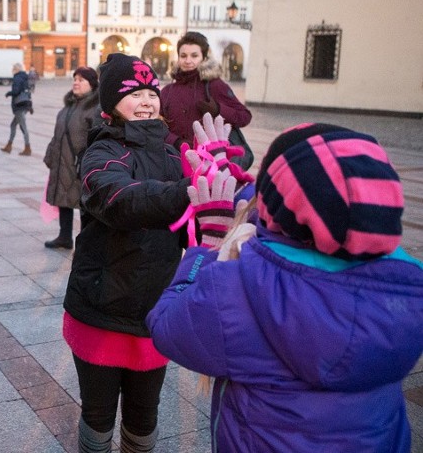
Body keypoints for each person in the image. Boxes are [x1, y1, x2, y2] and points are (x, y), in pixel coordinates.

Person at [148, 123, 423, 451]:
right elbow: (299, 212)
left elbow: (166, 325)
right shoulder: (405, 286)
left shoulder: (240, 293)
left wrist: (208, 245)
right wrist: (229, 175)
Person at [63, 53, 191, 453]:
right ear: (111, 105)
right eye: (134, 93)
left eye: (151, 91)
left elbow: (197, 226)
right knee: (98, 417)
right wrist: (188, 192)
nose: (147, 100)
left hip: (154, 313)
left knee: (144, 415)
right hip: (102, 310)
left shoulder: (175, 154)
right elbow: (119, 199)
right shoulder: (102, 152)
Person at [160, 31, 251, 150]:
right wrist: (176, 141)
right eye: (183, 56)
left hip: (208, 160)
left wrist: (218, 110)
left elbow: (244, 116)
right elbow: (156, 124)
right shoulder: (168, 91)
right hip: (173, 158)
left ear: (203, 58)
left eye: (194, 56)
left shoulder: (214, 85)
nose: (188, 61)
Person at [42, 66, 101, 250]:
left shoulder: (95, 109)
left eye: (81, 80)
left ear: (92, 85)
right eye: (75, 79)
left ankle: (86, 243)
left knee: (85, 205)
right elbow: (58, 133)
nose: (76, 82)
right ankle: (64, 237)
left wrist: (87, 162)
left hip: (80, 166)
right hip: (63, 161)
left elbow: (97, 140)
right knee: (63, 199)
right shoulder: (69, 105)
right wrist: (51, 154)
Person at [0, 62, 33, 155]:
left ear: (15, 69)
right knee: (13, 125)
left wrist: (9, 93)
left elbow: (16, 91)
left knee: (23, 127)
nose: (12, 70)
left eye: (13, 69)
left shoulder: (17, 78)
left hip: (19, 106)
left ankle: (27, 148)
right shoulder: (25, 77)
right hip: (25, 105)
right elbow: (28, 92)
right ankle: (9, 146)